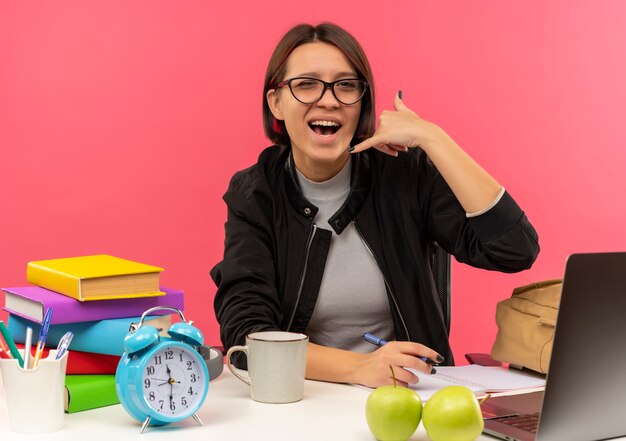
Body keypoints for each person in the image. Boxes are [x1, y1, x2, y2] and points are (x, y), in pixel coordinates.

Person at [211, 23, 539, 388]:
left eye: (346, 85)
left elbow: (515, 250)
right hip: (304, 400)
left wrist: (432, 138)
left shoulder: (403, 175)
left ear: (362, 103)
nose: (329, 99)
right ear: (276, 102)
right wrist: (358, 368)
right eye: (306, 84)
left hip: (412, 395)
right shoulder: (256, 192)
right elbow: (246, 335)